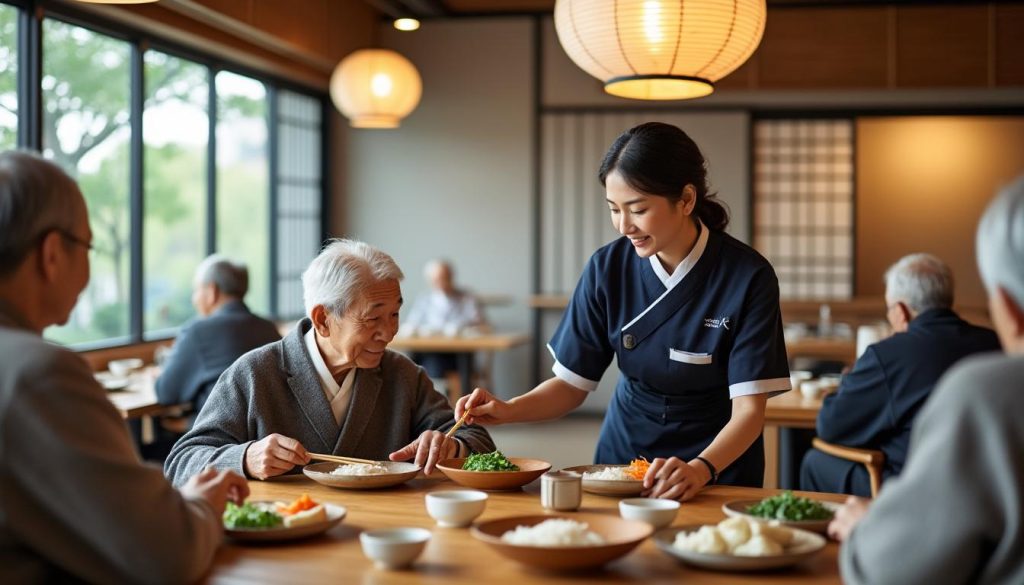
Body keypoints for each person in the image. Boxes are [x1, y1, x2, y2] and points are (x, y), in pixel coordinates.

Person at [456, 122, 791, 501]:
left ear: (685, 199)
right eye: (614, 209)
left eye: (638, 209)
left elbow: (749, 410)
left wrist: (701, 468)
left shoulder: (747, 276)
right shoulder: (607, 268)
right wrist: (509, 409)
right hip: (626, 455)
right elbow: (570, 385)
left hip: (717, 459)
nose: (624, 225)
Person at [0, 150, 248, 583]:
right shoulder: (38, 373)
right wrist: (202, 505)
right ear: (52, 253)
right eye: (87, 245)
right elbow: (166, 555)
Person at [164, 239, 495, 486]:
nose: (388, 333)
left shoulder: (402, 376)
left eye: (394, 314)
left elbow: (481, 444)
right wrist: (244, 458)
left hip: (382, 536)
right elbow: (181, 462)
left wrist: (451, 446)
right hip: (282, 541)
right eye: (373, 318)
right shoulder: (254, 373)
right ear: (322, 319)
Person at [829, 176, 1024, 585]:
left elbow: (834, 424)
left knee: (816, 461)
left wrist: (868, 528)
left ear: (1006, 304)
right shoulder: (988, 343)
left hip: (912, 497)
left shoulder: (987, 389)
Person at [800, 253, 999, 496]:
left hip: (914, 491)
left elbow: (830, 425)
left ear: (901, 310)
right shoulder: (994, 342)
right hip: (988, 489)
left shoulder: (889, 354)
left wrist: (849, 382)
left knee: (815, 462)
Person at [155, 253, 281, 423]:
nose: (194, 299)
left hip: (217, 440)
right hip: (266, 432)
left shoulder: (198, 331)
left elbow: (166, 393)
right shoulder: (268, 328)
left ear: (212, 291)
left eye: (197, 290)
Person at [400, 259, 487, 378]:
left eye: (445, 277)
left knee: (461, 360)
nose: (442, 282)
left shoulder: (467, 298)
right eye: (437, 279)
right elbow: (411, 323)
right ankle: (412, 392)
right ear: (430, 280)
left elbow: (481, 325)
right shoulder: (424, 299)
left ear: (452, 277)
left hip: (457, 353)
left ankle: (463, 393)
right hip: (430, 351)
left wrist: (460, 330)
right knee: (414, 360)